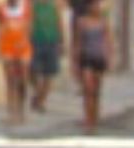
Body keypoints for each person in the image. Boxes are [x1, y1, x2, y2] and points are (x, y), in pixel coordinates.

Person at [70, 0, 111, 135]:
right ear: (89, 7)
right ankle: (88, 121)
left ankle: (94, 118)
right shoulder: (82, 22)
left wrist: (108, 59)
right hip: (86, 58)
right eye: (94, 5)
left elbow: (107, 41)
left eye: (98, 5)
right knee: (88, 90)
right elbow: (78, 43)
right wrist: (75, 63)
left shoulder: (103, 23)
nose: (96, 8)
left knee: (96, 92)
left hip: (99, 58)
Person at [0, 0, 34, 125]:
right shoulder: (0, 8)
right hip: (6, 45)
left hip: (22, 45)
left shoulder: (27, 6)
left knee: (22, 80)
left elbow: (30, 26)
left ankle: (21, 110)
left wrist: (25, 40)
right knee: (10, 80)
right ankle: (11, 112)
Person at [27, 0, 62, 113]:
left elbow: (59, 22)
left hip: (52, 40)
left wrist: (61, 41)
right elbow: (30, 23)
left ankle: (41, 101)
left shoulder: (54, 6)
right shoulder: (33, 6)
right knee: (32, 71)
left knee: (49, 73)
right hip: (36, 40)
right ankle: (38, 93)